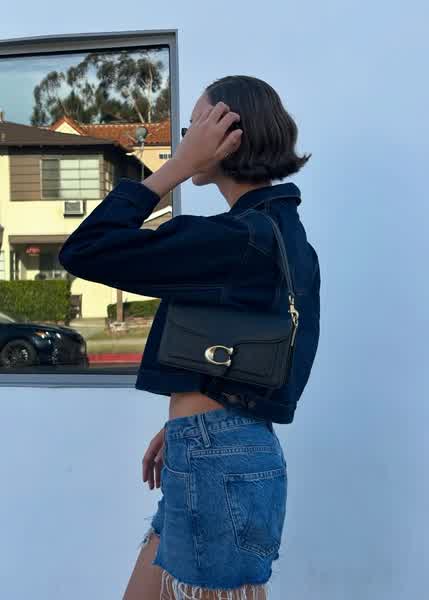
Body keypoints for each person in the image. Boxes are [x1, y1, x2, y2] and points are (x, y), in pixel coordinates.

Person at [59, 74, 320, 599]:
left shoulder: (239, 239)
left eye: (193, 126)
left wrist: (174, 167)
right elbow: (276, 352)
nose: (185, 138)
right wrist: (190, 420)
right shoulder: (275, 233)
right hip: (210, 449)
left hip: (218, 458)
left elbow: (86, 249)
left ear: (228, 136)